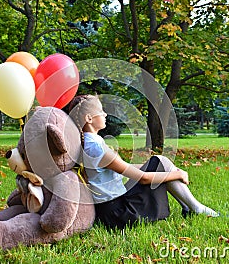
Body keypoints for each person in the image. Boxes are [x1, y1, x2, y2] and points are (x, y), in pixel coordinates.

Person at [68, 94, 219, 229]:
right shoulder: (96, 148)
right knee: (161, 163)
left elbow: (123, 168)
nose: (105, 114)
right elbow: (144, 179)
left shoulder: (88, 143)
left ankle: (190, 207)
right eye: (101, 111)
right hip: (119, 214)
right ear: (89, 118)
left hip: (109, 209)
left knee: (159, 162)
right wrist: (178, 174)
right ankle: (196, 208)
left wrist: (159, 168)